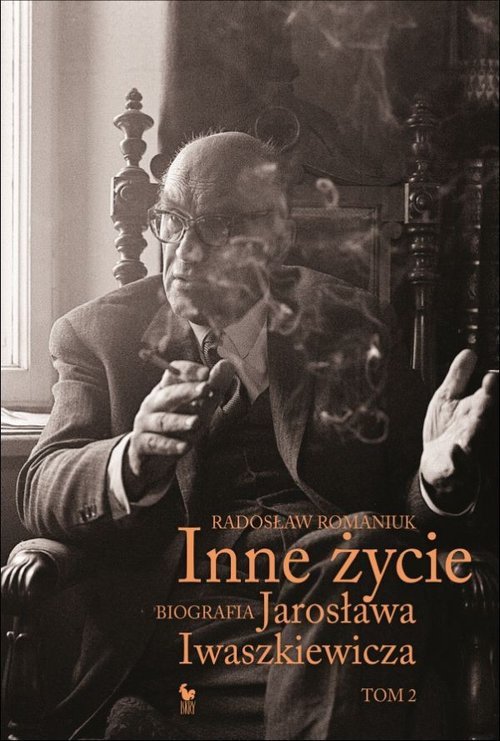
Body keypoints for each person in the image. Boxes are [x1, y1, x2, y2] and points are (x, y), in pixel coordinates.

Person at [17, 132, 496, 740]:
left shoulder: (351, 322)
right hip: (179, 633)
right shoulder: (96, 336)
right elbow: (39, 485)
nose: (184, 251)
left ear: (276, 238)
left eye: (216, 227)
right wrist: (130, 460)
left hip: (334, 620)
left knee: (366, 546)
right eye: (172, 220)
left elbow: (407, 506)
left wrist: (435, 484)